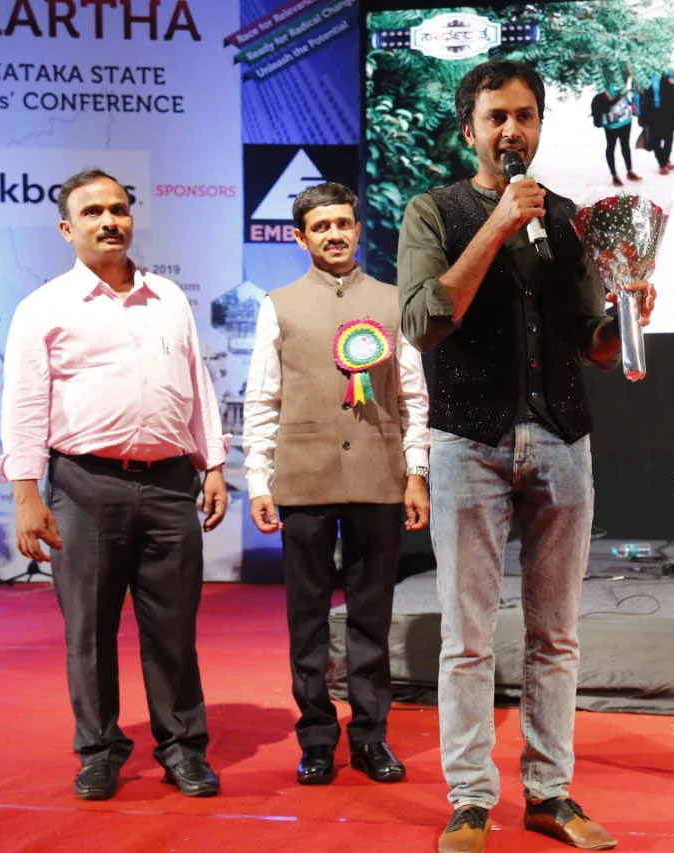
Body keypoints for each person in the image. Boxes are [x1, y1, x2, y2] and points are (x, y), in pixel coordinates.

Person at [396, 59, 655, 853]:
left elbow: (589, 343)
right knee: (468, 635)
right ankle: (471, 798)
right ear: (469, 128)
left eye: (526, 116)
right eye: (497, 116)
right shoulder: (433, 211)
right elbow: (422, 322)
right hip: (467, 443)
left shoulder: (569, 217)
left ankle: (550, 792)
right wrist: (499, 226)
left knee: (557, 634)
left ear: (540, 125)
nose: (512, 130)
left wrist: (626, 315)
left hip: (561, 440)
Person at [0, 168, 229, 801]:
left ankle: (183, 749)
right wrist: (26, 493)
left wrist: (212, 464)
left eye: (118, 209)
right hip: (84, 487)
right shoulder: (43, 307)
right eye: (93, 212)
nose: (109, 222)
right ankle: (98, 751)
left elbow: (197, 384)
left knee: (173, 630)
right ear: (66, 228)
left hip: (171, 486)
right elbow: (23, 405)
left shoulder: (168, 297)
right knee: (90, 634)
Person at [242, 182, 431, 788]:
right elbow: (261, 399)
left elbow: (413, 397)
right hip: (303, 479)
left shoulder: (392, 300)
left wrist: (417, 473)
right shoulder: (278, 304)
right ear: (301, 239)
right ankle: (317, 738)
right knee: (307, 619)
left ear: (357, 229)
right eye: (321, 227)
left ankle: (371, 737)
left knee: (372, 615)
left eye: (343, 224)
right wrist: (258, 481)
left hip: (380, 476)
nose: (334, 234)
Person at [591, 82, 643, 187]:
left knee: (625, 146)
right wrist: (613, 97)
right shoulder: (603, 82)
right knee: (611, 147)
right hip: (611, 124)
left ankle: (629, 171)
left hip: (626, 120)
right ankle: (614, 175)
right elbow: (602, 103)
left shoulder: (621, 79)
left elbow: (630, 91)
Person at [638, 70, 674, 175]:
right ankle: (662, 164)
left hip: (668, 110)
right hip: (651, 111)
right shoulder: (644, 75)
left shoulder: (667, 72)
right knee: (655, 139)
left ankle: (665, 159)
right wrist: (640, 113)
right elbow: (638, 95)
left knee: (669, 137)